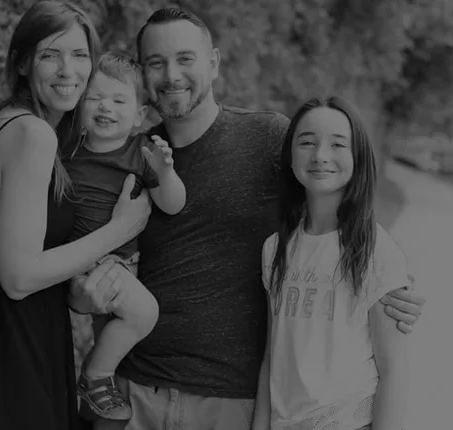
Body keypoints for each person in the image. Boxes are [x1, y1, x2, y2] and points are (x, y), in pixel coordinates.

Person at [71, 8, 427, 430]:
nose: (172, 75)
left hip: (234, 404)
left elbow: (333, 206)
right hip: (135, 393)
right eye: (156, 62)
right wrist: (81, 297)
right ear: (143, 77)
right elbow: (86, 259)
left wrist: (387, 284)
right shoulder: (127, 155)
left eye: (185, 59)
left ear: (214, 63)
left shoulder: (269, 138)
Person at [0, 2, 151, 429]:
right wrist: (120, 229)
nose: (68, 70)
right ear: (24, 63)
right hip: (6, 352)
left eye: (79, 55)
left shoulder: (13, 122)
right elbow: (19, 277)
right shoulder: (33, 133)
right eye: (50, 54)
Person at [252, 96, 410, 430]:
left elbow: (393, 371)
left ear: (357, 157)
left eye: (337, 144)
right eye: (307, 142)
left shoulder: (375, 250)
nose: (320, 155)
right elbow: (271, 357)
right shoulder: (275, 249)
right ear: (290, 156)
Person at [65, 52, 186, 421]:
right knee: (144, 313)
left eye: (119, 101)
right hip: (82, 260)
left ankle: (96, 396)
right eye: (95, 97)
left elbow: (172, 205)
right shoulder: (66, 151)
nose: (106, 107)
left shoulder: (141, 151)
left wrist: (165, 172)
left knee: (114, 331)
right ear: (80, 103)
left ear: (138, 115)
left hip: (123, 265)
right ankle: (94, 377)